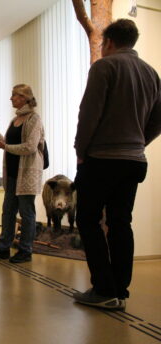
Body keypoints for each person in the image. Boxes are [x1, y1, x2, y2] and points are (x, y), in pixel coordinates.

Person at [73, 19, 160, 310]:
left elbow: (89, 113)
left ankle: (103, 289)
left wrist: (80, 151)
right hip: (134, 161)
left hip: (102, 159)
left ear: (108, 42)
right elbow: (158, 119)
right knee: (121, 222)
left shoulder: (104, 67)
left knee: (87, 219)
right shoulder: (151, 73)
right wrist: (138, 142)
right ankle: (120, 289)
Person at [0, 84, 45, 263]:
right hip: (12, 174)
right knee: (8, 212)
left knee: (27, 213)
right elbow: (6, 143)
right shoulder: (14, 120)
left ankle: (25, 250)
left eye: (14, 96)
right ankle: (3, 248)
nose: (11, 99)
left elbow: (30, 147)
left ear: (25, 98)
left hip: (26, 174)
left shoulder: (34, 118)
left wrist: (6, 147)